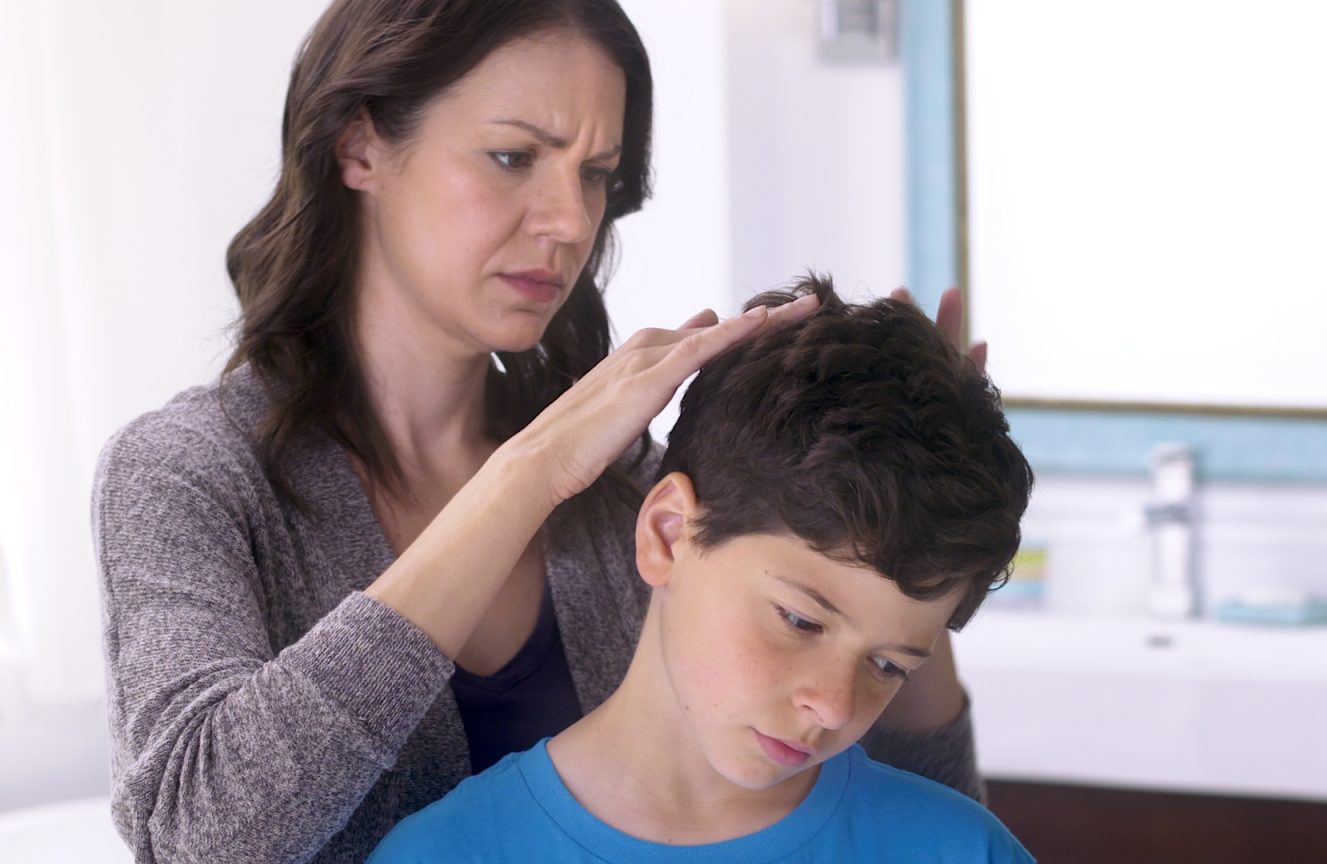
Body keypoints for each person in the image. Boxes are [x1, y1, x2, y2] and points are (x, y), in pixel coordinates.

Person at [91, 2, 988, 861]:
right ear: (359, 145)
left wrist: (909, 524)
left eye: (596, 174)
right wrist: (524, 481)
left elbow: (902, 819)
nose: (570, 221)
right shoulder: (186, 475)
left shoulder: (630, 488)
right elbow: (197, 839)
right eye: (513, 156)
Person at [366, 276, 1035, 862]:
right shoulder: (444, 853)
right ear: (666, 534)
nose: (833, 706)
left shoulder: (964, 851)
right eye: (800, 621)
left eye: (887, 665)